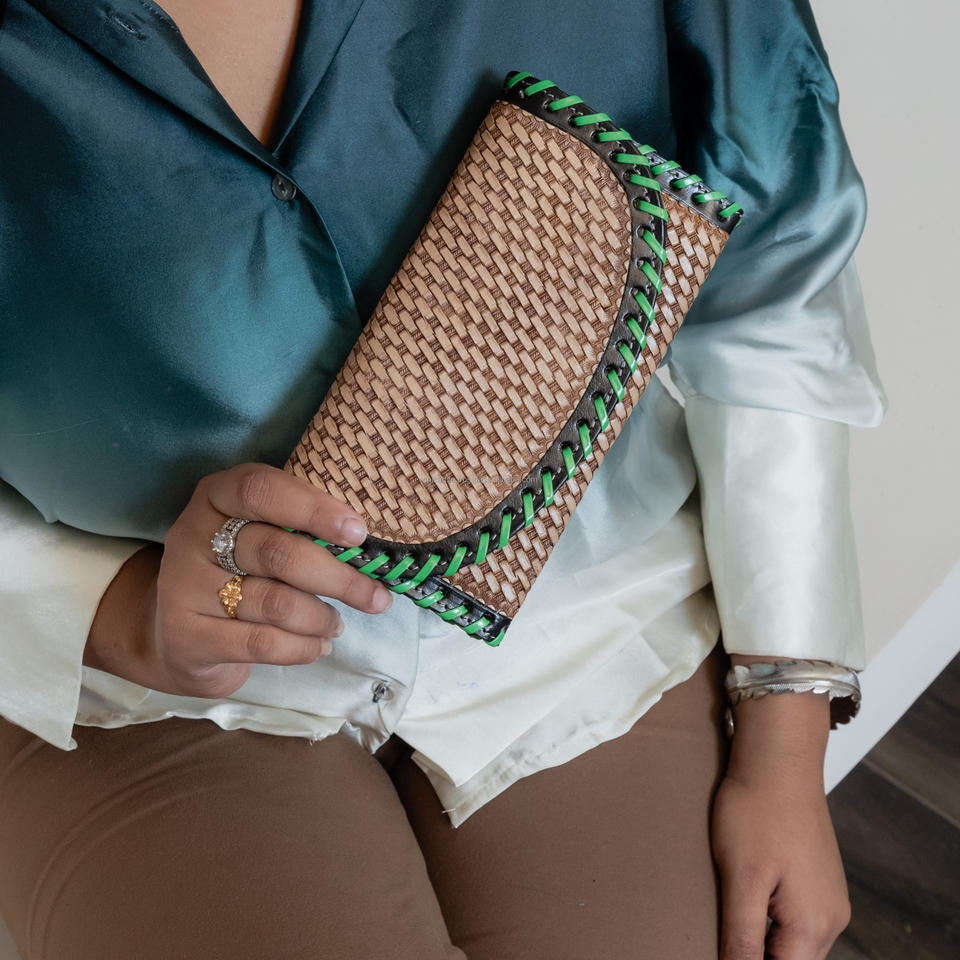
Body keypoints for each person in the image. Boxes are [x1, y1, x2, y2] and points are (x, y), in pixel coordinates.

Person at [0, 1, 886, 958]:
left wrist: (785, 738)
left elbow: (775, 287)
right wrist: (123, 619)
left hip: (590, 629)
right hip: (139, 676)